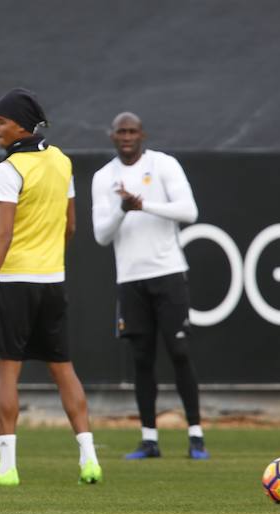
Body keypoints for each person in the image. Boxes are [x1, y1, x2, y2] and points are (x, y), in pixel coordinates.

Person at [0, 88, 102, 486]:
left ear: (21, 124)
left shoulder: (7, 170)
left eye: (0, 121)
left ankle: (7, 467)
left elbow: (2, 236)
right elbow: (71, 226)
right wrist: (50, 260)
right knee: (64, 370)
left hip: (14, 282)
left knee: (6, 376)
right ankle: (89, 460)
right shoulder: (62, 161)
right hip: (52, 280)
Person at [91, 112, 208, 460]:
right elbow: (101, 235)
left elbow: (189, 212)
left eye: (132, 131)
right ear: (111, 136)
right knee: (141, 359)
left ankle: (196, 436)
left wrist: (144, 204)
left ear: (142, 134)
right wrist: (123, 209)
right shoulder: (103, 177)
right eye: (120, 132)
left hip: (168, 272)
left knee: (180, 352)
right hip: (130, 279)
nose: (126, 137)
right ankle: (149, 439)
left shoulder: (164, 165)